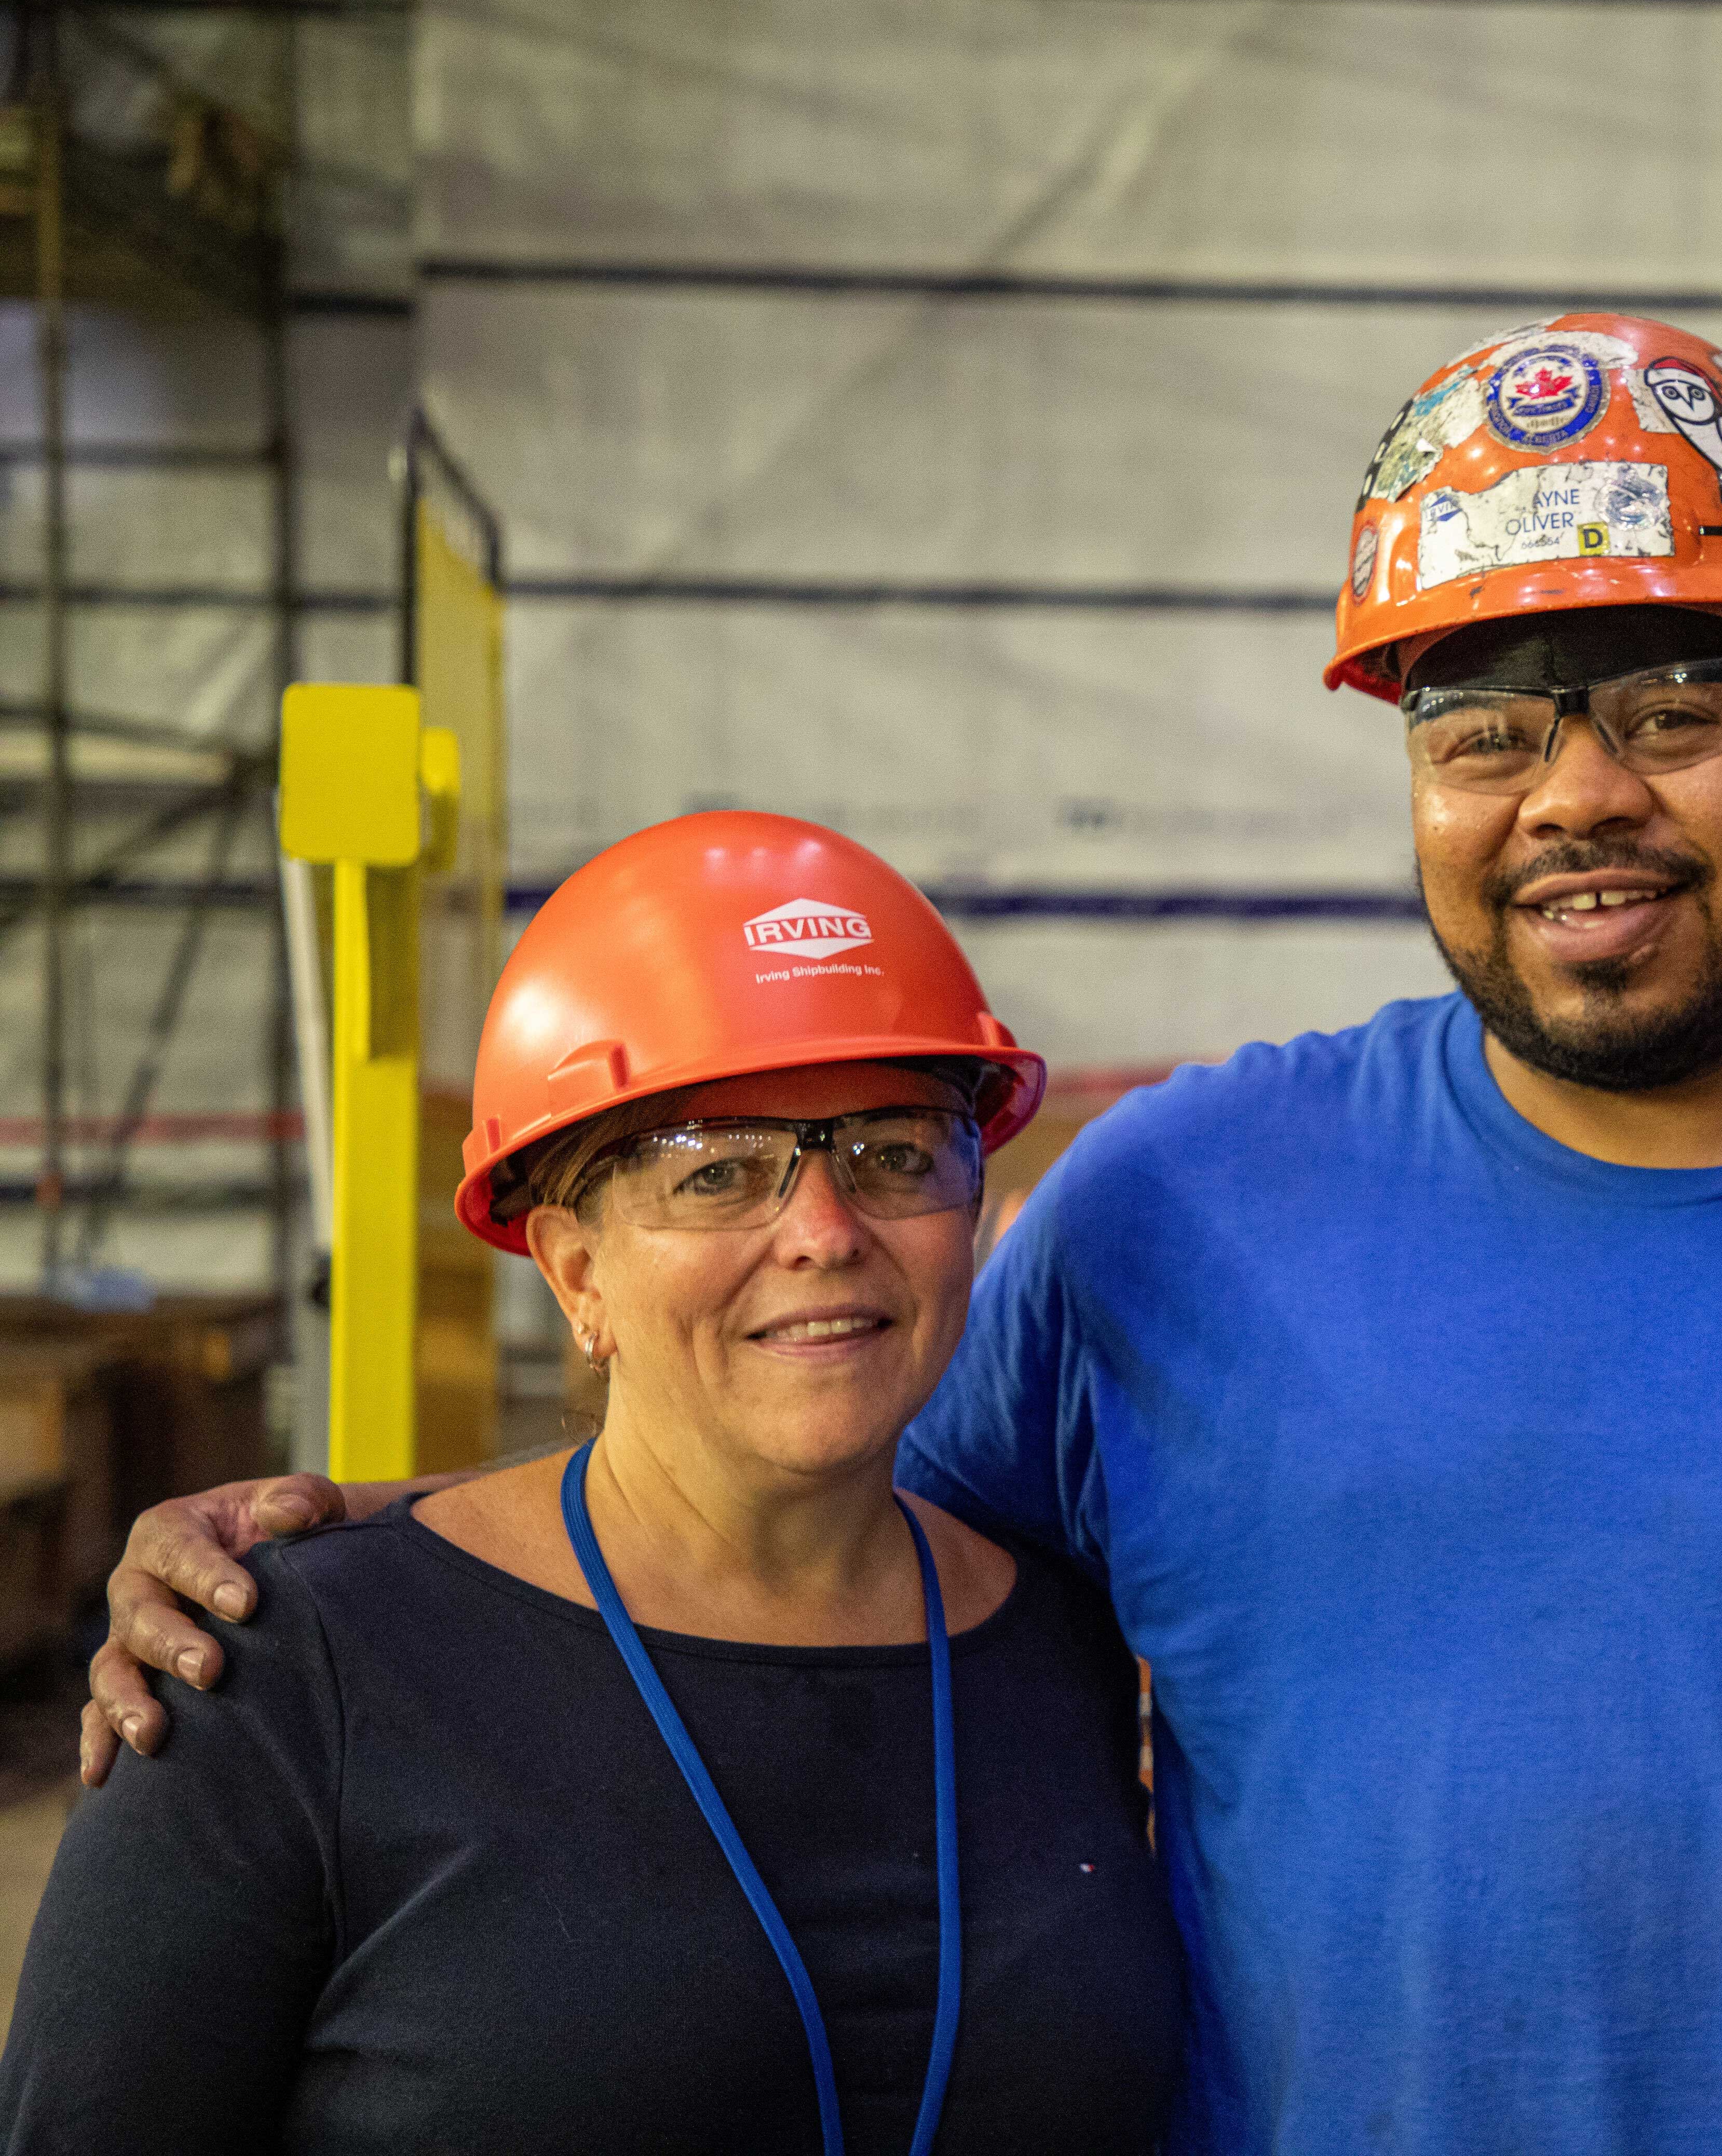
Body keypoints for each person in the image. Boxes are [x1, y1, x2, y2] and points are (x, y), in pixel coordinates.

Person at [89, 314, 1722, 2156]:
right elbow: (780, 1520)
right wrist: (357, 1559)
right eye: (1486, 731)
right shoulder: (1174, 1210)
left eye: (1677, 707)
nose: (1579, 797)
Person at [10, 814, 1180, 2153]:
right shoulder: (287, 1678)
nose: (823, 1233)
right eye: (720, 1172)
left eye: (894, 1154)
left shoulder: (1057, 1642)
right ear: (576, 1274)